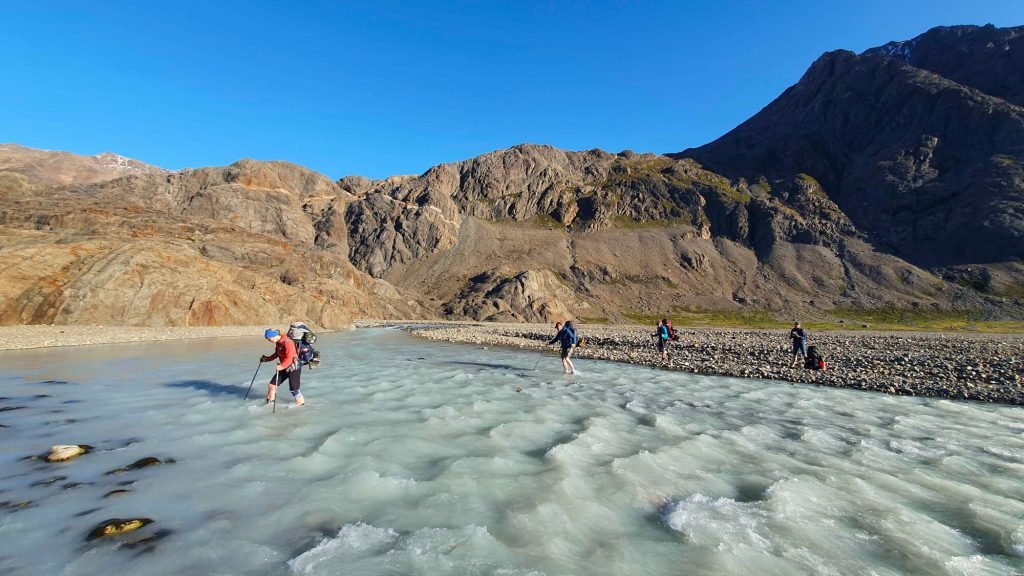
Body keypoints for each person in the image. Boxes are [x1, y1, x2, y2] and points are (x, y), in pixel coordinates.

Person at [261, 328, 304, 406]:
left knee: (294, 390)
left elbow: (290, 357)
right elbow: (277, 354)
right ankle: (269, 405)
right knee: (272, 386)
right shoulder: (279, 343)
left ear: (274, 336)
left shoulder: (288, 342)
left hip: (294, 367)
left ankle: (301, 406)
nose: (269, 340)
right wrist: (267, 359)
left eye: (269, 338)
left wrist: (281, 366)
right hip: (284, 366)